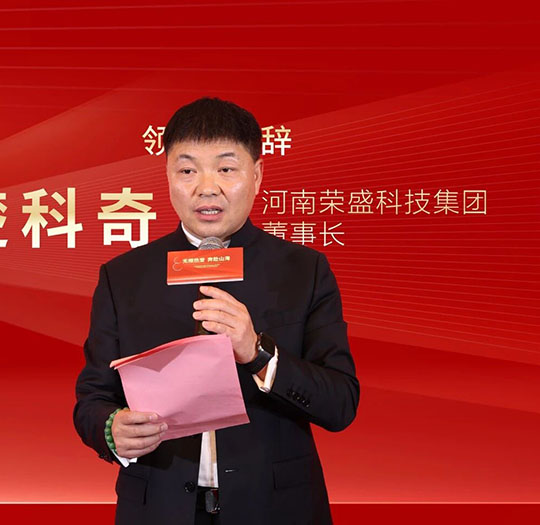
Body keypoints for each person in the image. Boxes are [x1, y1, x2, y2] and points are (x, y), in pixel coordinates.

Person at [74, 97, 359, 525]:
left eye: (226, 169)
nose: (207, 187)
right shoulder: (124, 276)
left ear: (256, 175)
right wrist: (111, 428)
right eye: (187, 170)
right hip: (160, 510)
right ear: (168, 175)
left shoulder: (304, 270)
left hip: (276, 510)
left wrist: (258, 353)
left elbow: (340, 404)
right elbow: (92, 399)